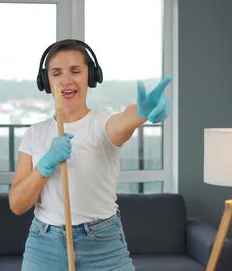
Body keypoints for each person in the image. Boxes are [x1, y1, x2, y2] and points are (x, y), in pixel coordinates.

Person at [9, 39, 173, 271]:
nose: (66, 80)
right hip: (44, 245)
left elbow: (123, 122)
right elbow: (17, 204)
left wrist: (141, 112)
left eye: (75, 71)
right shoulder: (34, 134)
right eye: (57, 73)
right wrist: (45, 165)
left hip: (102, 243)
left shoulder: (102, 125)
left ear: (91, 76)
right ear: (46, 81)